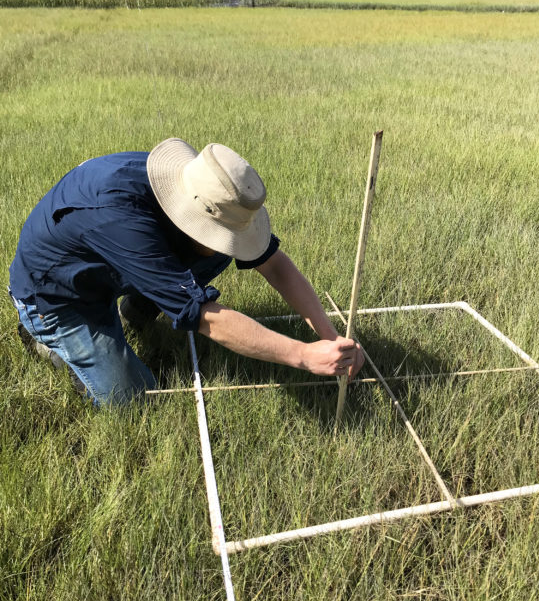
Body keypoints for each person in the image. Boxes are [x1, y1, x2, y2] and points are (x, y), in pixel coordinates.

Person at [9, 138, 364, 406]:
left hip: (104, 261)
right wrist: (303, 355)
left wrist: (329, 335)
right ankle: (49, 344)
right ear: (192, 218)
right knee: (132, 399)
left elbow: (273, 262)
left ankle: (137, 309)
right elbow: (206, 318)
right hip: (56, 296)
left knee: (219, 254)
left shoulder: (198, 187)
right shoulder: (126, 223)